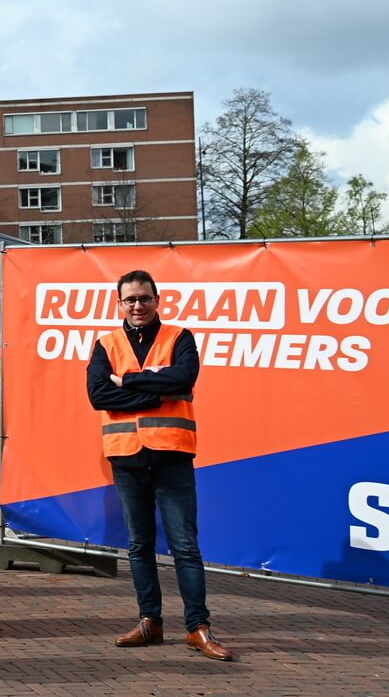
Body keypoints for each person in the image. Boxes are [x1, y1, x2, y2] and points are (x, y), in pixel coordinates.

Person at [87, 270, 236, 662]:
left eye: (144, 298)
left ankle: (197, 627)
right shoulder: (106, 344)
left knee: (185, 546)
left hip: (172, 455)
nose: (138, 305)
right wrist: (155, 393)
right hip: (126, 456)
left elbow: (184, 378)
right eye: (130, 299)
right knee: (139, 546)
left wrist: (129, 381)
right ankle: (149, 621)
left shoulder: (179, 337)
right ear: (119, 303)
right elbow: (98, 395)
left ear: (157, 299)